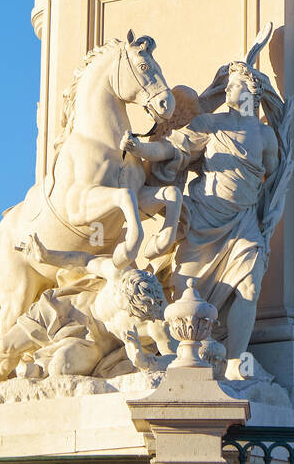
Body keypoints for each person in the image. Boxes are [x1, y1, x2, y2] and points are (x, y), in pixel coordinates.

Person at [120, 58, 281, 377]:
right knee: (182, 287)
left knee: (248, 285)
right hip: (204, 219)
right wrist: (140, 149)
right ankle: (175, 353)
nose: (227, 89)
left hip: (243, 223)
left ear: (251, 91)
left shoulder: (266, 137)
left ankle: (235, 361)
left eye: (233, 84)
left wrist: (264, 213)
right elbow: (171, 150)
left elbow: (272, 177)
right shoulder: (210, 124)